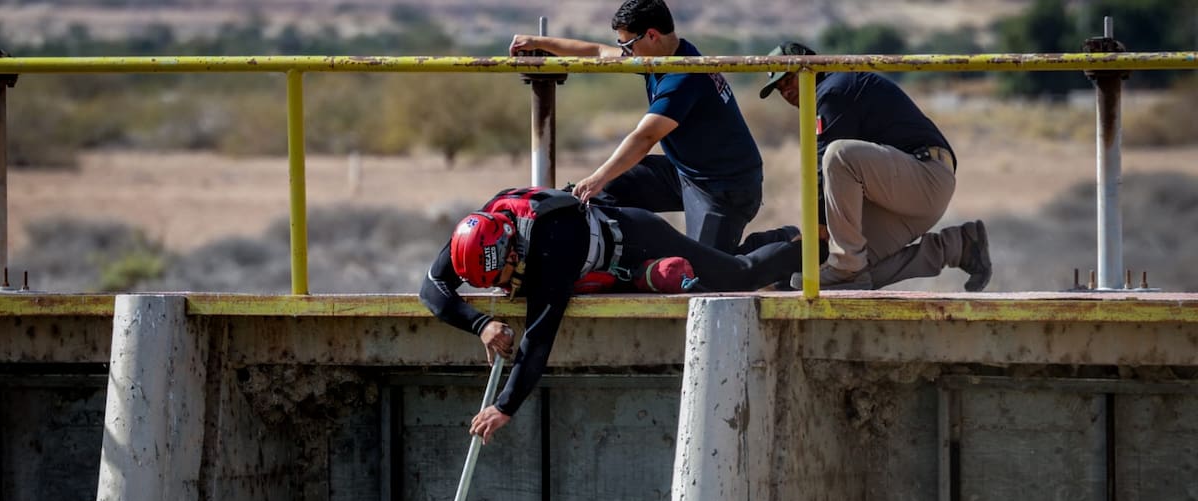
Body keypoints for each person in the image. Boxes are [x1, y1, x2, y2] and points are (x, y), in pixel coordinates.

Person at [420, 187, 801, 443]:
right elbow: (432, 291)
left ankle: (804, 247)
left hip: (637, 241)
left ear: (513, 251)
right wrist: (481, 323)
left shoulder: (552, 245)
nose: (499, 289)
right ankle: (768, 243)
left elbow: (539, 335)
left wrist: (505, 406)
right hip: (601, 268)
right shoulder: (476, 235)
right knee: (720, 269)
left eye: (501, 279)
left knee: (737, 278)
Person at [509, 0, 763, 254]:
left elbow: (645, 137)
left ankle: (780, 243)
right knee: (607, 189)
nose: (626, 53)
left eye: (628, 45)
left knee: (706, 271)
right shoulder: (664, 56)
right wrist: (538, 42)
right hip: (686, 171)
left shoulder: (683, 77)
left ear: (651, 35)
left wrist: (598, 177)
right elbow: (598, 51)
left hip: (725, 187)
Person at [759, 41, 992, 292]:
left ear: (810, 66)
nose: (786, 91)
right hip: (905, 191)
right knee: (856, 274)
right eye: (779, 88)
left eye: (788, 79)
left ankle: (845, 264)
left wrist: (817, 226)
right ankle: (959, 246)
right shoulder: (831, 90)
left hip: (924, 175)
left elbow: (823, 165)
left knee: (839, 155)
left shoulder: (833, 90)